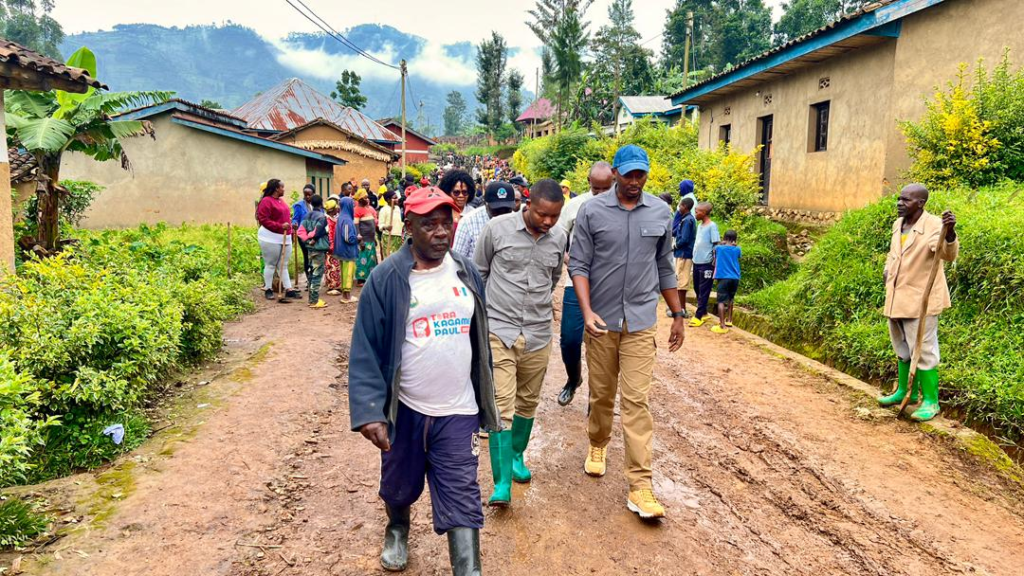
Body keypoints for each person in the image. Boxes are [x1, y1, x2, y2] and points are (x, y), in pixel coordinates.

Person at [348, 186, 498, 575]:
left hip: (459, 408)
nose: (441, 232)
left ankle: (469, 570)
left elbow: (478, 339)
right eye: (429, 224)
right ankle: (397, 528)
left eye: (446, 223)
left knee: (462, 493)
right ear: (409, 228)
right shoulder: (386, 279)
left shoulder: (465, 271)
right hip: (407, 408)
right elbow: (365, 347)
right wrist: (370, 411)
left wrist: (486, 396)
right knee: (399, 483)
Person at [568, 145, 686, 520]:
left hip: (640, 321)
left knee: (636, 401)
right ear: (616, 173)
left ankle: (640, 486)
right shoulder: (592, 211)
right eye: (629, 174)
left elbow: (664, 266)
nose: (635, 181)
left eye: (641, 175)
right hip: (602, 322)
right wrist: (587, 311)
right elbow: (579, 265)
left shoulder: (661, 212)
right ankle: (598, 441)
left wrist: (678, 313)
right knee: (602, 394)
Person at [474, 179, 566, 507]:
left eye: (554, 216)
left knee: (528, 401)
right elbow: (479, 273)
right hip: (500, 329)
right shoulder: (496, 230)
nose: (548, 221)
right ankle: (501, 483)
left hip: (539, 332)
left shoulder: (559, 238)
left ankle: (516, 457)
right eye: (542, 214)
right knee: (502, 404)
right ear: (527, 204)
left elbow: (553, 278)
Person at [877, 184, 958, 422]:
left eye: (906, 200)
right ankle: (905, 391)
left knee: (923, 350)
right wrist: (887, 270)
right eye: (899, 199)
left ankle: (931, 401)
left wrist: (950, 233)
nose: (900, 203)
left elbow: (946, 253)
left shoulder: (934, 225)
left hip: (921, 299)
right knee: (902, 348)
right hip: (896, 297)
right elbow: (894, 253)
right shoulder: (898, 224)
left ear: (921, 203)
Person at [555, 161, 614, 406]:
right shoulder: (575, 206)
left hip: (608, 286)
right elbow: (558, 236)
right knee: (569, 340)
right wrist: (568, 259)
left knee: (602, 343)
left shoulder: (622, 207)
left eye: (605, 189)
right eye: (595, 188)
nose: (600, 194)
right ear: (589, 182)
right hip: (576, 283)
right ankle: (573, 379)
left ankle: (596, 398)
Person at [256, 179, 300, 301]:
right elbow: (263, 219)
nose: (283, 189)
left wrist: (291, 226)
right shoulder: (266, 201)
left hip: (285, 236)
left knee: (283, 264)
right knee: (271, 264)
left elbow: (285, 217)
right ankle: (268, 289)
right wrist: (279, 226)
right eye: (282, 187)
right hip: (270, 237)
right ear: (276, 188)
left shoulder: (281, 201)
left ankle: (289, 289)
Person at [451, 181, 516, 260]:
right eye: (497, 210)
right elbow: (457, 258)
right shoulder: (468, 222)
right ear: (485, 204)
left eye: (506, 209)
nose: (502, 214)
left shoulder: (517, 221)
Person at [690, 202, 720, 327]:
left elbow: (716, 244)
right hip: (696, 261)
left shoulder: (712, 226)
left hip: (707, 263)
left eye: (697, 212)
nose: (695, 214)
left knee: (704, 290)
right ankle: (704, 312)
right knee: (697, 288)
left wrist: (715, 263)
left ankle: (698, 316)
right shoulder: (700, 225)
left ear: (704, 213)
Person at [300, 194, 330, 309]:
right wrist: (313, 239)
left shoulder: (307, 215)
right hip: (319, 248)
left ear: (311, 204)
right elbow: (319, 230)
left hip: (310, 249)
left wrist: (307, 240)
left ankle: (311, 299)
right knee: (317, 273)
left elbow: (300, 231)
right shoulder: (322, 217)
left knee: (312, 272)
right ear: (321, 204)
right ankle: (314, 301)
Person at [711, 230, 741, 334]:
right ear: (735, 239)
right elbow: (738, 255)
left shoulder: (718, 248)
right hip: (735, 277)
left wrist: (721, 243)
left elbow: (714, 253)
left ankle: (722, 325)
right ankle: (729, 320)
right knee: (731, 298)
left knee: (721, 301)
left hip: (723, 277)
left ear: (724, 238)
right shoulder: (737, 249)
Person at [672, 197, 697, 318]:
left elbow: (685, 239)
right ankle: (679, 308)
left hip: (684, 254)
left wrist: (675, 245)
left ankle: (682, 309)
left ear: (685, 207)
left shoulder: (687, 220)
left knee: (681, 282)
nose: (679, 207)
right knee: (679, 281)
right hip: (681, 253)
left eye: (680, 205)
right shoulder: (686, 219)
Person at [334, 197, 359, 303]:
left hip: (342, 250)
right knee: (348, 272)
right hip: (348, 251)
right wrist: (357, 238)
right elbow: (348, 237)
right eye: (352, 205)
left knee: (344, 272)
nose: (353, 207)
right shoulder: (347, 220)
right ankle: (347, 297)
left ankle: (345, 295)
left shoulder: (341, 217)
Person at [438, 170, 476, 237]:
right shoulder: (441, 212)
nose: (461, 196)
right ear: (448, 192)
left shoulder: (474, 214)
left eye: (464, 192)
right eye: (456, 192)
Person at [292, 184, 316, 288]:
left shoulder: (317, 204)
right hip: (303, 235)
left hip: (315, 234)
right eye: (305, 195)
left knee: (314, 257)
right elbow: (295, 219)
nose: (307, 197)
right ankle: (309, 280)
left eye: (309, 195)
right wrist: (294, 224)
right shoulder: (299, 205)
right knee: (307, 256)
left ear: (313, 194)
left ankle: (314, 278)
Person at [354, 190, 378, 283]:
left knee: (370, 260)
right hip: (364, 240)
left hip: (370, 240)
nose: (367, 199)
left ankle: (369, 278)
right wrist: (360, 240)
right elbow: (356, 226)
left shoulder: (367, 209)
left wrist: (374, 238)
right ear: (360, 199)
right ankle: (361, 279)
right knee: (363, 260)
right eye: (365, 197)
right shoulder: (356, 210)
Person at [323, 199, 342, 296]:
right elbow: (329, 234)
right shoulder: (327, 220)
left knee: (336, 266)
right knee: (331, 266)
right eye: (336, 208)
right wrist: (331, 246)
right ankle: (332, 286)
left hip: (336, 246)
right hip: (331, 247)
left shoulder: (333, 218)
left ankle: (336, 285)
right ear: (332, 209)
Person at [379, 191, 404, 257]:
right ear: (388, 200)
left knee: (398, 257)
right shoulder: (384, 210)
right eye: (395, 198)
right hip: (388, 237)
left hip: (398, 236)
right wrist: (386, 227)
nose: (397, 199)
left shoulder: (398, 208)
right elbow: (380, 225)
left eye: (397, 197)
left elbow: (399, 222)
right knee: (390, 257)